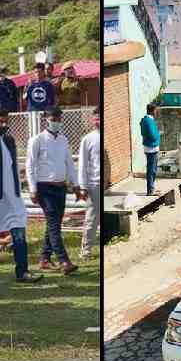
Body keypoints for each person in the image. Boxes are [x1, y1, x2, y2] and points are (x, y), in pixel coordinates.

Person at [0, 109, 43, 283]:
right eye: (0, 121)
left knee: (19, 234)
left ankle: (22, 272)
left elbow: (13, 167)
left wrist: (20, 192)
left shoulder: (10, 140)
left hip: (13, 198)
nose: (4, 125)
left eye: (6, 122)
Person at [27, 106, 80, 275]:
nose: (56, 122)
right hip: (44, 187)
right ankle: (64, 260)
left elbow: (69, 163)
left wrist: (76, 184)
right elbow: (30, 165)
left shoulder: (63, 140)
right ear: (46, 119)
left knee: (54, 224)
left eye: (58, 119)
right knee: (54, 225)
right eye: (53, 119)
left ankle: (44, 258)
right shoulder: (37, 140)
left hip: (60, 187)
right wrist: (33, 189)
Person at [77, 107, 100, 260]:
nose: (97, 122)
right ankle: (86, 251)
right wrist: (83, 187)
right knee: (92, 218)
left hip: (105, 185)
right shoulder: (88, 139)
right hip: (93, 185)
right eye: (95, 118)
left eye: (100, 118)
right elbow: (82, 164)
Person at [141, 103, 160, 196]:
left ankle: (152, 189)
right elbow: (153, 135)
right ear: (152, 111)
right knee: (152, 170)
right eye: (156, 110)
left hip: (150, 148)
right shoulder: (148, 121)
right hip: (151, 149)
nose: (156, 112)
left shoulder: (146, 120)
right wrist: (158, 134)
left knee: (152, 169)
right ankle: (150, 190)